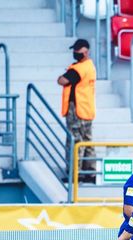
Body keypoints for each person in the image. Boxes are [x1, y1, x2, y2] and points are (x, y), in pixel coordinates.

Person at [57, 38, 96, 183]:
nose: (75, 52)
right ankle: (89, 173)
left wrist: (62, 76)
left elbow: (62, 80)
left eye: (77, 50)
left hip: (77, 110)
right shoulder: (90, 66)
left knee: (74, 142)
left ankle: (75, 174)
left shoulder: (78, 69)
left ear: (86, 51)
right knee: (87, 141)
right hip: (87, 109)